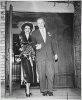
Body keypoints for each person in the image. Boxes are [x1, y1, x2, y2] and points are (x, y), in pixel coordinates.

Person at [31, 18, 58, 96]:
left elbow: (54, 43)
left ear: (44, 23)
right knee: (41, 74)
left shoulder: (50, 32)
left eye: (41, 23)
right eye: (38, 23)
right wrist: (35, 47)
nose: (40, 24)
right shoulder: (34, 33)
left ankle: (50, 90)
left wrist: (55, 53)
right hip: (40, 56)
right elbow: (32, 44)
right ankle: (43, 90)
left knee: (50, 74)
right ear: (37, 24)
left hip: (49, 56)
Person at [19, 22, 36, 97]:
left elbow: (34, 46)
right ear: (23, 29)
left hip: (31, 57)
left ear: (30, 29)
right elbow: (17, 46)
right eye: (26, 28)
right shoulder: (20, 37)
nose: (27, 30)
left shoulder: (32, 37)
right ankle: (27, 91)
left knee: (31, 73)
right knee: (26, 73)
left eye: (28, 28)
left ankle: (28, 89)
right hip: (24, 57)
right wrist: (21, 51)